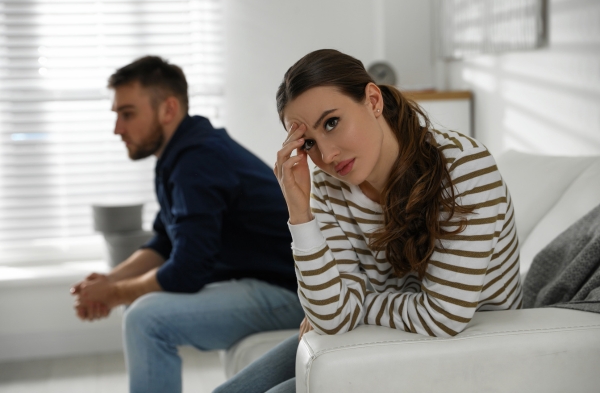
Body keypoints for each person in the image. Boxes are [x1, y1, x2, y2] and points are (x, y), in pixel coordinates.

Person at [214, 49, 522, 393]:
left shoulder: (464, 169)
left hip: (467, 352)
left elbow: (443, 316)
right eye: (310, 142)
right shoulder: (331, 188)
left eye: (332, 122)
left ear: (373, 100)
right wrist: (300, 213)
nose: (327, 155)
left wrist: (357, 302)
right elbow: (332, 317)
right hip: (383, 338)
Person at [70, 56, 305, 393]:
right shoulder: (181, 156)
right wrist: (109, 281)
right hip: (262, 283)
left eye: (128, 114)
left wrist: (113, 294)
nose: (117, 129)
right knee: (140, 309)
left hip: (291, 292)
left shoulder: (199, 160)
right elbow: (164, 242)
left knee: (145, 318)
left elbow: (187, 270)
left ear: (168, 109)